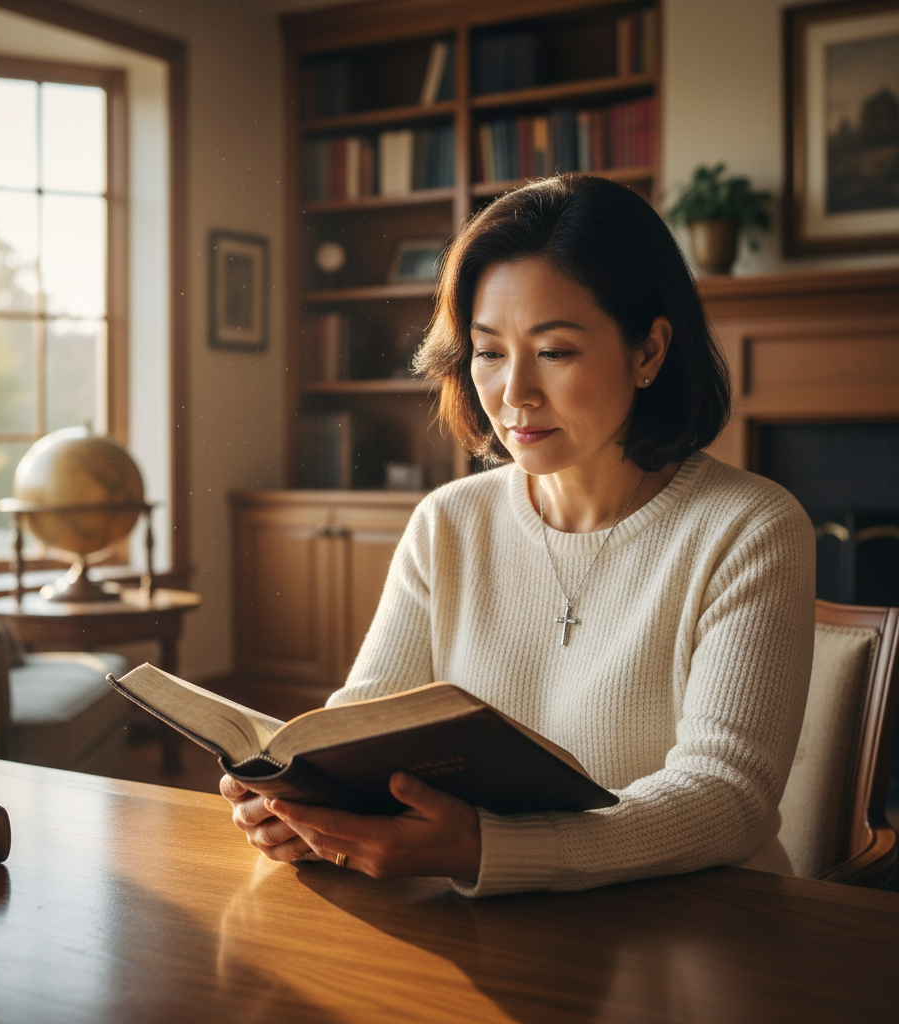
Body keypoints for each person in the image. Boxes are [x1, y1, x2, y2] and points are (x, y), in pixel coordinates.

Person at [221, 174, 816, 896]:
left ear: (649, 352)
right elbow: (360, 728)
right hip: (486, 929)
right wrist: (308, 804)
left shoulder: (749, 526)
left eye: (556, 351)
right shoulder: (449, 522)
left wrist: (487, 850)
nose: (514, 393)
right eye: (489, 351)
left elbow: (728, 798)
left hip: (698, 935)